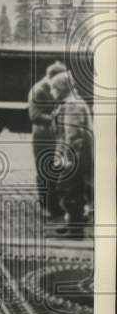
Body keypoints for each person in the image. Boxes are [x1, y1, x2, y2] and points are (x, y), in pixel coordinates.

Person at [49, 70, 94, 238]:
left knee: (70, 190)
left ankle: (76, 230)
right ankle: (73, 223)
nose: (52, 92)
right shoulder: (70, 102)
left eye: (54, 88)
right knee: (72, 189)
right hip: (76, 156)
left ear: (62, 88)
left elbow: (73, 136)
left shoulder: (72, 105)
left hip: (76, 157)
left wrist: (68, 160)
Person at [28, 61, 67, 221]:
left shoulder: (53, 88)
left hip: (54, 137)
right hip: (42, 137)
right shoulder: (39, 90)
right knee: (45, 172)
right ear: (52, 77)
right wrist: (56, 117)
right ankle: (47, 207)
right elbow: (35, 116)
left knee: (55, 171)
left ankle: (55, 206)